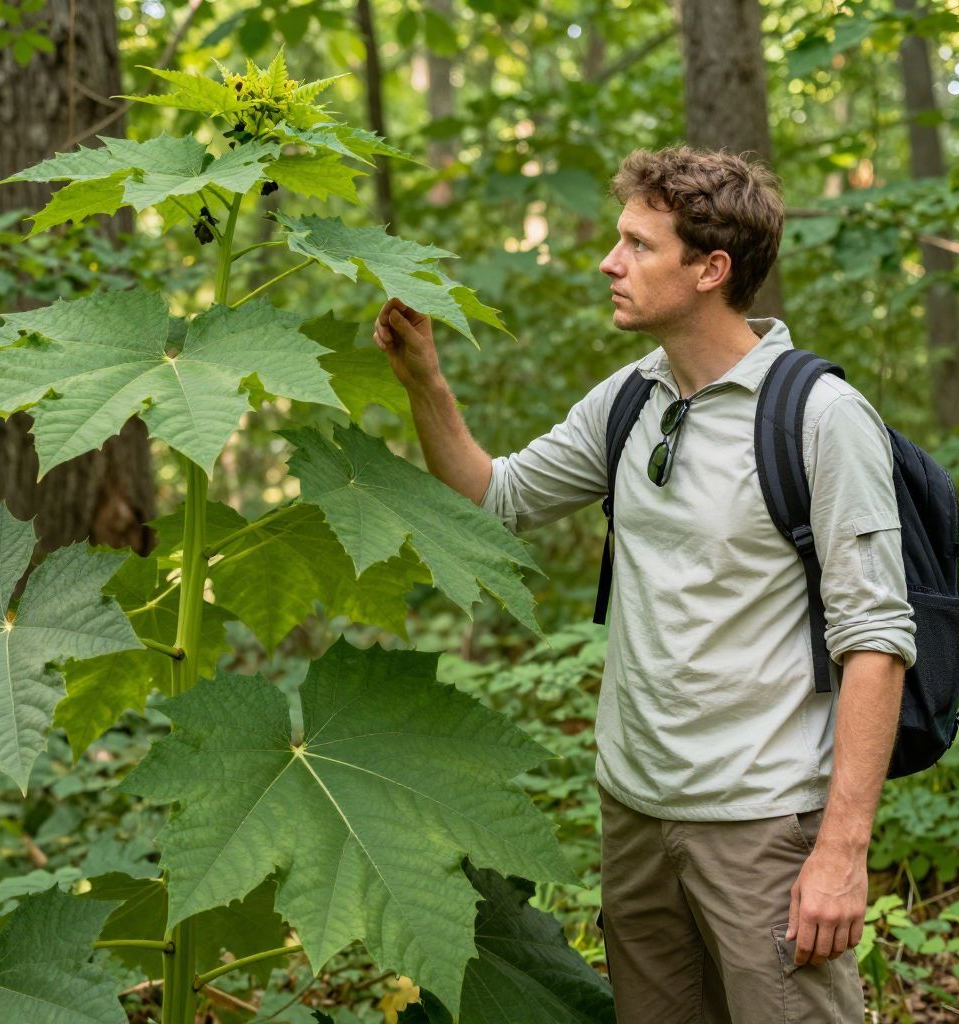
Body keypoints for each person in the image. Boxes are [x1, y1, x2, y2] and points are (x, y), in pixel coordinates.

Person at [372, 146, 916, 1023]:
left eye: (637, 245)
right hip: (633, 813)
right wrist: (426, 385)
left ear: (710, 270)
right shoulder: (632, 398)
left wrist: (842, 853)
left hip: (763, 823)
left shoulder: (821, 418)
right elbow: (496, 497)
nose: (608, 262)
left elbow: (877, 642)